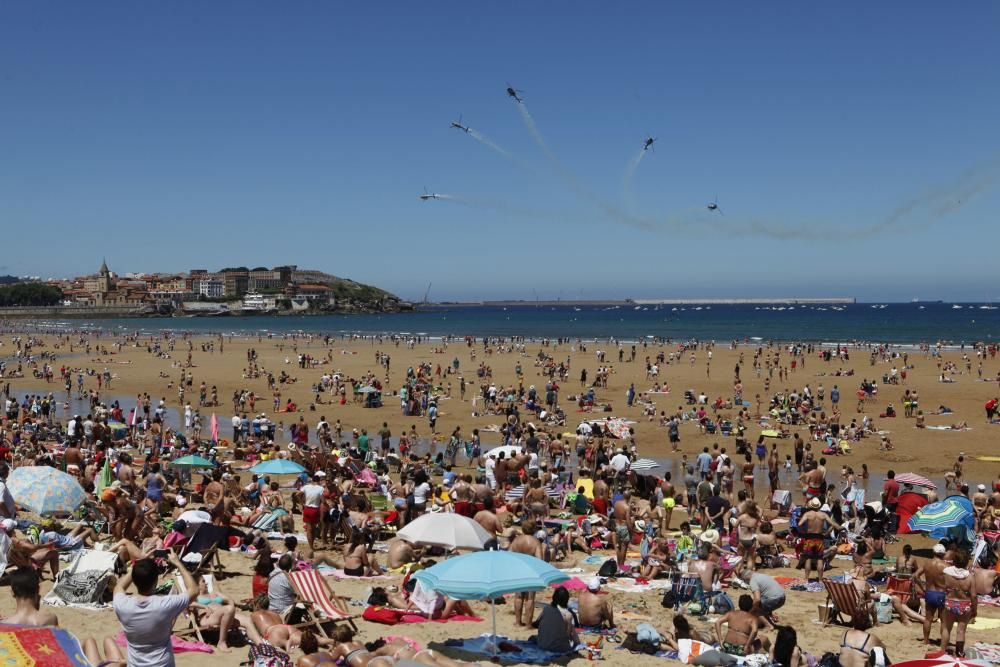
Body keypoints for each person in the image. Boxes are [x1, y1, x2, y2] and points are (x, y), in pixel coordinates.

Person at [113, 552, 199, 667]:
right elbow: (193, 590)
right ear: (155, 581)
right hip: (162, 664)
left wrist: (138, 566)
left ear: (134, 579)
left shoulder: (123, 605)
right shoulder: (164, 605)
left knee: (108, 642)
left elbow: (119, 587)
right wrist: (178, 563)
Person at [941, 548, 977, 657]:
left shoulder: (947, 573)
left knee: (947, 628)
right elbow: (974, 596)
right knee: (961, 631)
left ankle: (942, 651)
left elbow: (943, 588)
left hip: (949, 603)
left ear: (954, 560)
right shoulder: (970, 577)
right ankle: (959, 653)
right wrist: (974, 610)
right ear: (966, 562)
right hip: (964, 605)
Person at [535, 587, 580, 654]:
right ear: (566, 599)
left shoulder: (546, 608)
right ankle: (578, 644)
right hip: (558, 648)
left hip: (542, 645)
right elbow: (567, 635)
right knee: (572, 630)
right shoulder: (568, 614)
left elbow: (537, 623)